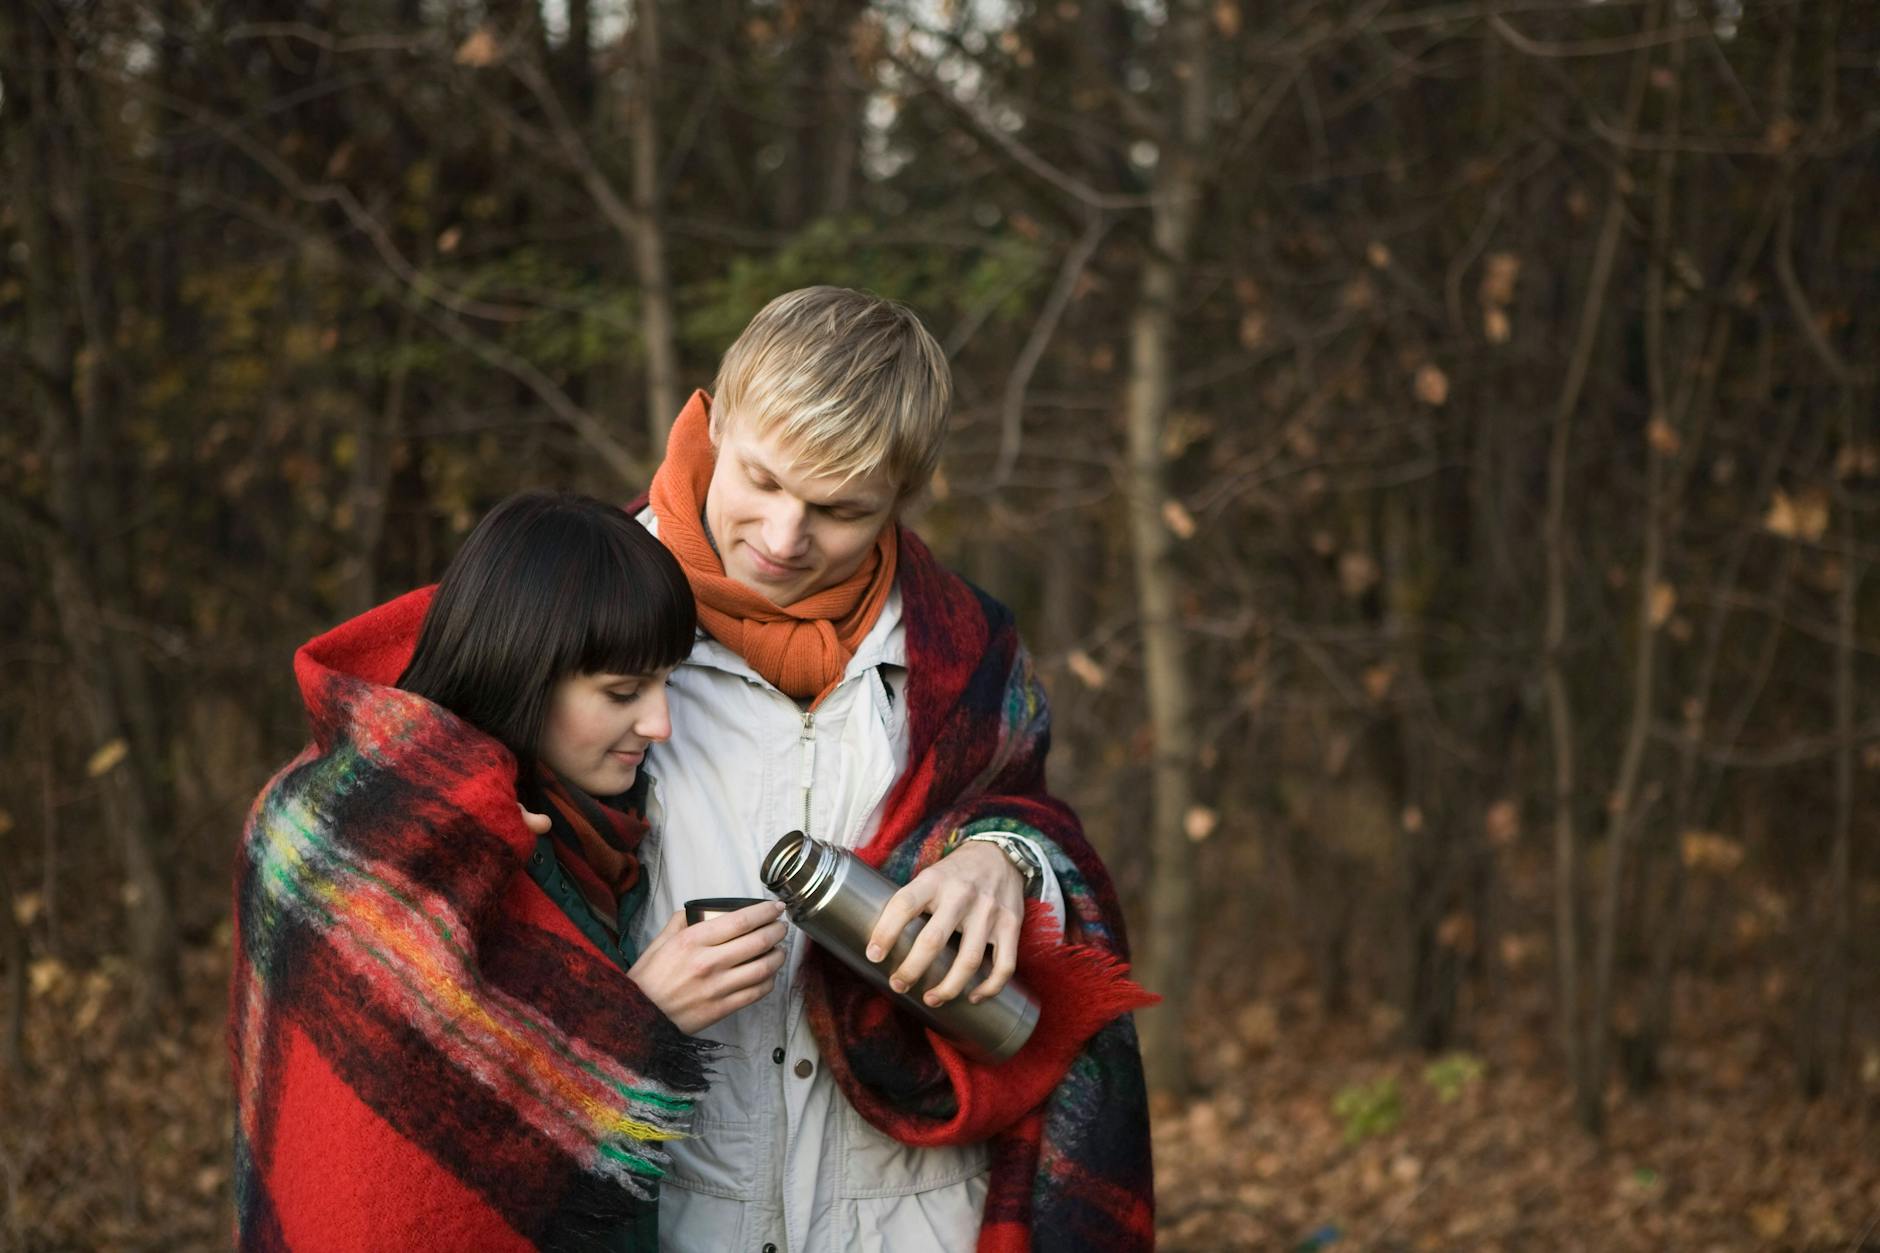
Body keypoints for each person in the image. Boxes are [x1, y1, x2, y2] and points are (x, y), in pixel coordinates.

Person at [630, 286, 1156, 1251]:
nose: (784, 539)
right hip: (666, 1215)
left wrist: (1005, 857)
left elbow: (1027, 814)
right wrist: (619, 1014)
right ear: (715, 416)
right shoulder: (573, 613)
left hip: (911, 1220)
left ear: (902, 498)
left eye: (839, 510)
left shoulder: (965, 645)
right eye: (761, 480)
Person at [229, 491, 786, 1251]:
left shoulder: (596, 827)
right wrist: (639, 1017)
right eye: (623, 693)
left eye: (667, 684)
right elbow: (398, 1170)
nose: (659, 724)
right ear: (523, 671)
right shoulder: (359, 839)